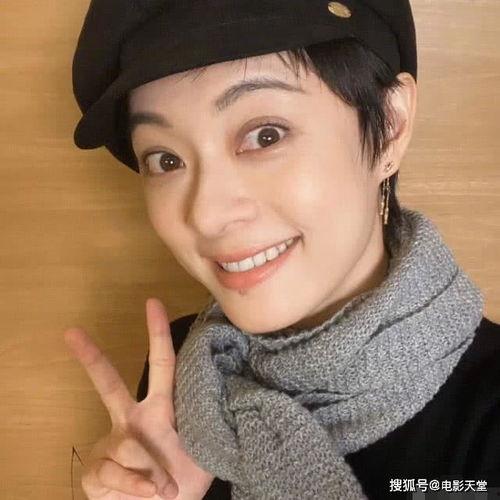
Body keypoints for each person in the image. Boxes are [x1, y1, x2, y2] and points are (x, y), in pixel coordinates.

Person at [65, 1, 500, 499]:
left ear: (389, 125)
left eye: (265, 135)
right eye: (165, 159)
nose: (205, 215)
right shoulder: (184, 380)